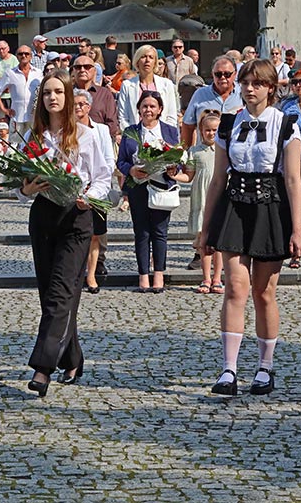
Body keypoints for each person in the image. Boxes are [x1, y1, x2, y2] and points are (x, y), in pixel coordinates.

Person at [200, 59, 301, 396]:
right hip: (234, 205)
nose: (249, 88)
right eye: (245, 82)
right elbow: (217, 180)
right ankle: (229, 370)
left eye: (257, 83)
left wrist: (299, 229)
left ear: (270, 88)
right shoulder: (228, 124)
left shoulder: (286, 124)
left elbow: (292, 179)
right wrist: (205, 229)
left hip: (271, 208)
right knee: (235, 288)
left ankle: (265, 367)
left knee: (264, 292)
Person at [18, 70, 111, 397]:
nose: (52, 97)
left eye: (58, 92)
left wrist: (90, 197)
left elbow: (102, 177)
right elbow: (20, 185)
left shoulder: (87, 135)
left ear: (68, 97)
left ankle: (43, 368)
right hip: (43, 216)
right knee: (51, 294)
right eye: (47, 93)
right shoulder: (36, 137)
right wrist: (26, 189)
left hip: (76, 217)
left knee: (60, 292)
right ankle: (72, 356)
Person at [117, 90, 180, 292]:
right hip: (139, 186)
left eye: (152, 106)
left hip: (162, 186)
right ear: (139, 109)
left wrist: (173, 169)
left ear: (160, 109)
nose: (148, 110)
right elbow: (121, 161)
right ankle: (143, 275)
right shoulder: (130, 132)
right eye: (145, 106)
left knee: (160, 232)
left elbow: (178, 159)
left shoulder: (170, 130)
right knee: (142, 232)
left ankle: (159, 274)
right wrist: (132, 170)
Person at [172, 110, 224, 293]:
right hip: (201, 198)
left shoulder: (224, 150)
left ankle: (217, 278)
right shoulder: (194, 151)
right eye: (207, 130)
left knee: (218, 242)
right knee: (203, 241)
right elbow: (189, 176)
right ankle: (206, 278)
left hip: (219, 198)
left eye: (215, 130)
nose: (211, 133)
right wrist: (173, 175)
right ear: (201, 131)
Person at [74, 89, 115, 294]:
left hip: (96, 189)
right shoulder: (66, 130)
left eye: (82, 104)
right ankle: (78, 272)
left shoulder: (101, 130)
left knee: (95, 235)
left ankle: (91, 275)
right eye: (75, 104)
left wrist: (95, 187)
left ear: (89, 107)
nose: (78, 107)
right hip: (74, 191)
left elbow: (108, 161)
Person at [181, 55, 243, 148]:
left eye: (227, 74)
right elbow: (188, 126)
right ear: (212, 74)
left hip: (235, 154)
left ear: (235, 74)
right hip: (205, 154)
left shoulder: (243, 94)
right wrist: (186, 153)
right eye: (218, 74)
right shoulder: (200, 94)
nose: (222, 78)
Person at [280, 68, 301, 268]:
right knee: (296, 197)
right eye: (295, 82)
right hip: (294, 153)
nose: (298, 86)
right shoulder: (287, 104)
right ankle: (296, 251)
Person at [118, 45, 178, 129]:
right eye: (143, 57)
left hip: (161, 137)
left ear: (155, 62)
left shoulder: (167, 84)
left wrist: (163, 136)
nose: (147, 60)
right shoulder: (127, 85)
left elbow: (171, 116)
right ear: (137, 61)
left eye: (151, 57)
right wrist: (132, 137)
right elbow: (123, 117)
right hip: (135, 135)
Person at [0, 45, 42, 137]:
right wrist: (4, 110)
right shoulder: (10, 73)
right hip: (17, 116)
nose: (24, 56)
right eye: (20, 54)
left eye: (26, 54)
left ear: (31, 56)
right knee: (15, 146)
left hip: (34, 116)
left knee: (33, 145)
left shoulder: (38, 73)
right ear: (17, 56)